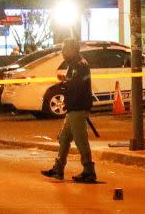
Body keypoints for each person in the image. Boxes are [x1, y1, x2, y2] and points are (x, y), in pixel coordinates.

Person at [41, 39, 96, 183]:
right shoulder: (75, 64)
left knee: (80, 140)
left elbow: (77, 86)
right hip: (73, 108)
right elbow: (75, 83)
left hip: (77, 108)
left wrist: (65, 82)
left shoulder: (79, 65)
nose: (63, 52)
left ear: (72, 49)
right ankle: (58, 169)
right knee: (64, 138)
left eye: (65, 49)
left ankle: (89, 171)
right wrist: (66, 80)